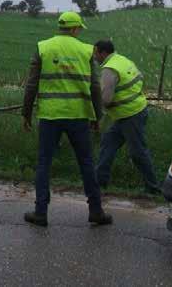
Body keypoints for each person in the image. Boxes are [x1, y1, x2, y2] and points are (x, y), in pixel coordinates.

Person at [22, 11, 113, 227]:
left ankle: (41, 212)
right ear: (74, 29)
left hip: (50, 115)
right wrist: (97, 115)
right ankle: (96, 211)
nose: (79, 31)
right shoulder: (86, 50)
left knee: (44, 163)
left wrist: (26, 113)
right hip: (78, 115)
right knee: (86, 163)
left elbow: (31, 84)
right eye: (79, 28)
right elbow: (94, 86)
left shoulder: (43, 47)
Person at [93, 40, 161, 194]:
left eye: (95, 53)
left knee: (138, 152)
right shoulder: (122, 60)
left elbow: (106, 100)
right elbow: (139, 78)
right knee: (108, 142)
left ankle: (153, 189)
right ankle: (99, 182)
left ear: (103, 53)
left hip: (130, 115)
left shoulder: (109, 70)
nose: (94, 57)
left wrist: (95, 107)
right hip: (134, 111)